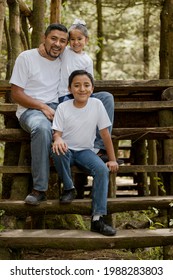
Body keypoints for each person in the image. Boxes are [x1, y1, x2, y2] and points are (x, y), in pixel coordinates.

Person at [51, 69, 119, 236]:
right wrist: (58, 139)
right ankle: (69, 188)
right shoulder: (63, 107)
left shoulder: (97, 105)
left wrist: (112, 159)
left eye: (86, 85)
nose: (82, 89)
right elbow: (57, 133)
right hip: (66, 149)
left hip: (85, 151)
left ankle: (97, 219)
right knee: (57, 150)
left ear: (92, 89)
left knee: (102, 170)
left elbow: (105, 134)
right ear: (69, 89)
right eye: (77, 85)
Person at [10, 23, 69, 205]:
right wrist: (42, 107)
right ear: (44, 38)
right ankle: (39, 189)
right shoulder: (26, 57)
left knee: (100, 102)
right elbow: (16, 94)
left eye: (62, 41)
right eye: (53, 38)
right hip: (30, 109)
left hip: (56, 107)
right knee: (42, 128)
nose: (57, 44)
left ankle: (72, 185)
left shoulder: (65, 60)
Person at [39, 19, 115, 158]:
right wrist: (42, 46)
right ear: (68, 42)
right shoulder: (65, 52)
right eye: (72, 39)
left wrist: (88, 96)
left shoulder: (87, 60)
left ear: (86, 40)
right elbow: (50, 47)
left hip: (82, 95)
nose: (76, 42)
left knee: (107, 97)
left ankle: (99, 147)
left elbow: (90, 82)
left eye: (79, 39)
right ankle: (65, 147)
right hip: (66, 96)